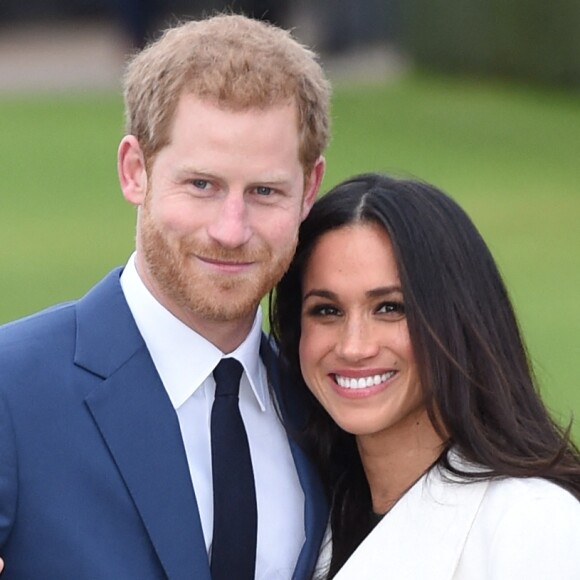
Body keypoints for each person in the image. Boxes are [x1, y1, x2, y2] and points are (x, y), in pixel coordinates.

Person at [0, 14, 330, 579]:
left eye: (265, 191)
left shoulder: (327, 407)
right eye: (202, 185)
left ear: (309, 191)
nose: (231, 229)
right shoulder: (12, 388)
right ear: (136, 171)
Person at [270, 173, 580, 579]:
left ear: (457, 319)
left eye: (390, 308)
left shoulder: (532, 525)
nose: (353, 346)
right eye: (327, 310)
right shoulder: (305, 515)